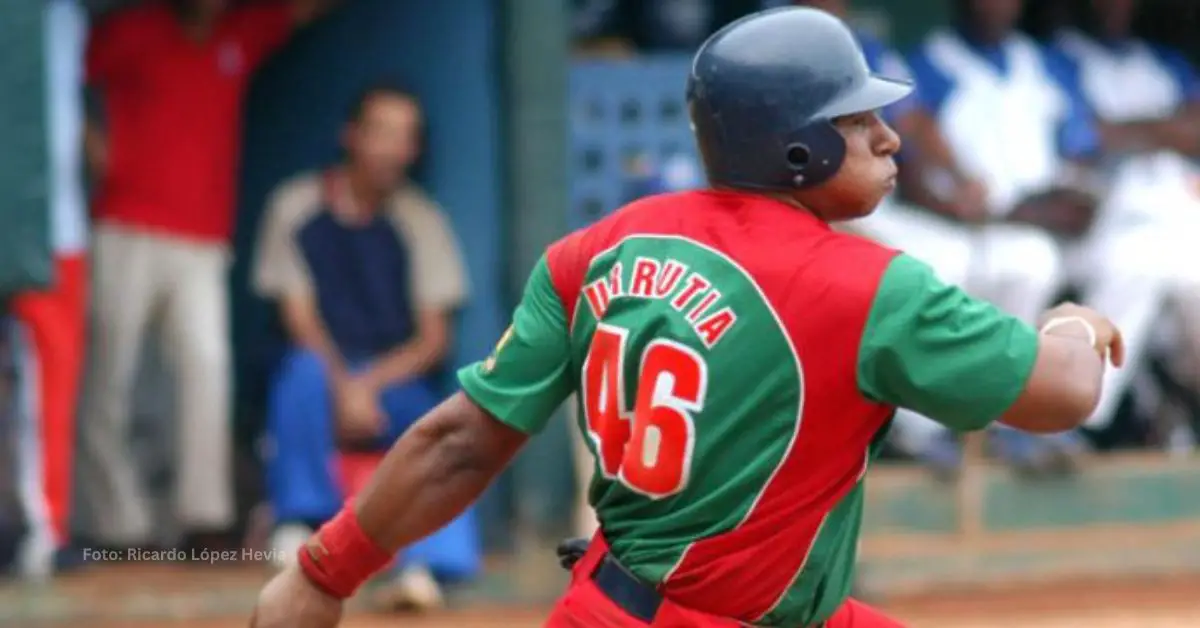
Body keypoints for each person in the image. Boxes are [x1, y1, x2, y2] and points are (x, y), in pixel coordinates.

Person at [250, 8, 1123, 628]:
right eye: (861, 123)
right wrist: (1076, 326)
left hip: (612, 605)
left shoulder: (596, 248)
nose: (890, 139)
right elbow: (1062, 397)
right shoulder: (869, 287)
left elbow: (457, 443)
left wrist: (323, 576)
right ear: (798, 149)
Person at [76, 0, 337, 553]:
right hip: (125, 223)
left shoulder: (241, 31)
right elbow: (59, 80)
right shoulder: (135, 28)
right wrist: (88, 139)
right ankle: (112, 526)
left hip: (202, 236)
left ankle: (202, 519)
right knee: (108, 376)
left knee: (207, 367)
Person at [793, 0, 1071, 475]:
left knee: (1008, 259)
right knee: (932, 264)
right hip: (812, 204)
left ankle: (996, 412)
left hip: (877, 203)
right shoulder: (778, 37)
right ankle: (913, 430)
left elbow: (912, 119)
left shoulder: (863, 43)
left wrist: (959, 181)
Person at [251, 83, 476, 611]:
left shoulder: (421, 219)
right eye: (381, 132)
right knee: (301, 373)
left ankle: (427, 568)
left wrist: (366, 388)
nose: (392, 148)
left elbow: (433, 339)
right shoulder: (296, 204)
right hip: (321, 374)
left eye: (404, 137)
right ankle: (298, 524)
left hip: (391, 382)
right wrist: (344, 388)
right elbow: (297, 317)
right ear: (351, 136)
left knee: (451, 426)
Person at [906, 0, 1167, 449]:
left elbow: (1080, 145)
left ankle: (1066, 416)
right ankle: (960, 426)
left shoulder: (1039, 62)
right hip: (971, 227)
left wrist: (1075, 194)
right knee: (1014, 262)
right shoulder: (931, 60)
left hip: (1049, 220)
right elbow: (915, 157)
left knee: (1137, 261)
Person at [11, 0, 89, 578]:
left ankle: (43, 530)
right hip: (22, 222)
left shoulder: (69, 14)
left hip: (58, 229)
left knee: (50, 385)